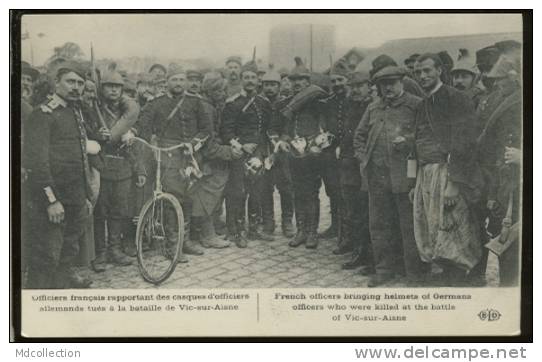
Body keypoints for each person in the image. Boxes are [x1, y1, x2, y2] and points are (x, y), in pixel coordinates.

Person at [412, 53, 484, 286]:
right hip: (425, 174)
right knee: (432, 225)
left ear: (439, 70)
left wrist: (453, 182)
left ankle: (461, 277)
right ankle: (445, 271)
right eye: (418, 72)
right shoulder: (422, 104)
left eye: (427, 70)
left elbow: (465, 142)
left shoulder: (456, 98)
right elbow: (416, 144)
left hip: (448, 172)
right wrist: (414, 181)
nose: (422, 76)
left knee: (452, 224)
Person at [23, 60, 95, 288]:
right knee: (46, 258)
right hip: (54, 202)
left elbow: (80, 157)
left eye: (80, 83)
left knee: (68, 252)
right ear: (56, 82)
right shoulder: (43, 114)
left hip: (75, 199)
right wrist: (51, 200)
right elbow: (37, 164)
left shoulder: (76, 111)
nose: (76, 87)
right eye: (70, 81)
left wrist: (85, 195)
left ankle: (60, 297)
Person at [354, 65, 426, 287]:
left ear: (401, 82)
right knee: (379, 225)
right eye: (383, 85)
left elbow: (427, 135)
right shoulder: (374, 107)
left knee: (408, 225)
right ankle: (384, 269)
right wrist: (363, 158)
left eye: (392, 83)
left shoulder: (415, 105)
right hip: (377, 177)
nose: (388, 89)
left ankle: (415, 272)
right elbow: (359, 136)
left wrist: (408, 141)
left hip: (406, 175)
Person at [137, 63, 214, 260]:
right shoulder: (155, 104)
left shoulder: (196, 102)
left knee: (189, 197)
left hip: (189, 156)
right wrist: (154, 145)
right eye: (174, 80)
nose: (178, 83)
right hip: (167, 156)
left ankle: (185, 241)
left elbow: (206, 129)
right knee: (173, 198)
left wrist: (194, 144)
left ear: (186, 82)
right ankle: (173, 246)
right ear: (167, 82)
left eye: (181, 80)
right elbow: (144, 130)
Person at [272, 57, 328, 249]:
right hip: (294, 153)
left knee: (311, 192)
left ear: (307, 81)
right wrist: (285, 141)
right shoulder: (288, 104)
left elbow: (323, 126)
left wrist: (315, 144)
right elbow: (285, 129)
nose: (296, 84)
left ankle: (312, 232)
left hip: (312, 153)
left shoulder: (316, 100)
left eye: (301, 80)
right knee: (297, 192)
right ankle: (301, 230)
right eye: (293, 80)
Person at [477, 56, 522, 286]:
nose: (496, 84)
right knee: (506, 238)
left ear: (514, 78)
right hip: (505, 181)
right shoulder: (500, 101)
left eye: (501, 79)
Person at [91, 71, 142, 271]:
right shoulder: (93, 108)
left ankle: (115, 249)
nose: (113, 89)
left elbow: (141, 127)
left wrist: (133, 131)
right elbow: (86, 131)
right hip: (101, 165)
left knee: (118, 211)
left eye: (117, 86)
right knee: (100, 212)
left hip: (123, 166)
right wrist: (97, 134)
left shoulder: (128, 108)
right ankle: (100, 253)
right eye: (109, 86)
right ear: (101, 88)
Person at [221, 61, 275, 247]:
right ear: (242, 80)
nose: (250, 81)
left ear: (258, 80)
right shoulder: (233, 103)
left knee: (257, 192)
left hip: (259, 153)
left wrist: (265, 151)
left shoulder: (264, 103)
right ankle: (238, 231)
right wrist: (241, 146)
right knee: (239, 192)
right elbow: (226, 132)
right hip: (240, 153)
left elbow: (268, 129)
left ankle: (254, 228)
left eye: (253, 77)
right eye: (246, 78)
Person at [191, 72, 242, 248]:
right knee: (209, 192)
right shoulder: (206, 109)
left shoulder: (208, 105)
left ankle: (207, 228)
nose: (224, 94)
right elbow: (209, 146)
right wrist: (230, 152)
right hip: (204, 159)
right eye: (220, 90)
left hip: (203, 155)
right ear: (210, 91)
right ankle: (207, 234)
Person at [338, 71, 374, 274]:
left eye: (361, 85)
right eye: (353, 86)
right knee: (352, 209)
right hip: (348, 163)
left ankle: (368, 254)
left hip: (365, 163)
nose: (356, 90)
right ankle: (356, 249)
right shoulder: (348, 105)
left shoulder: (373, 106)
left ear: (369, 86)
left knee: (366, 209)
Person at [260, 65, 296, 238]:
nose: (269, 88)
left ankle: (287, 221)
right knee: (265, 187)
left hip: (283, 151)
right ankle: (268, 222)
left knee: (286, 187)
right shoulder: (259, 103)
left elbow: (289, 126)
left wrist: (283, 140)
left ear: (279, 86)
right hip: (264, 151)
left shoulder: (286, 103)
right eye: (266, 84)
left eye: (273, 84)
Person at [319, 60, 351, 247]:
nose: (337, 84)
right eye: (334, 81)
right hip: (330, 152)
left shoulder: (353, 101)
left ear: (347, 80)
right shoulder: (328, 103)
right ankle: (335, 225)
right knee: (332, 189)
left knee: (346, 191)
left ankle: (346, 231)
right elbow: (324, 125)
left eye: (340, 80)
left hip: (347, 153)